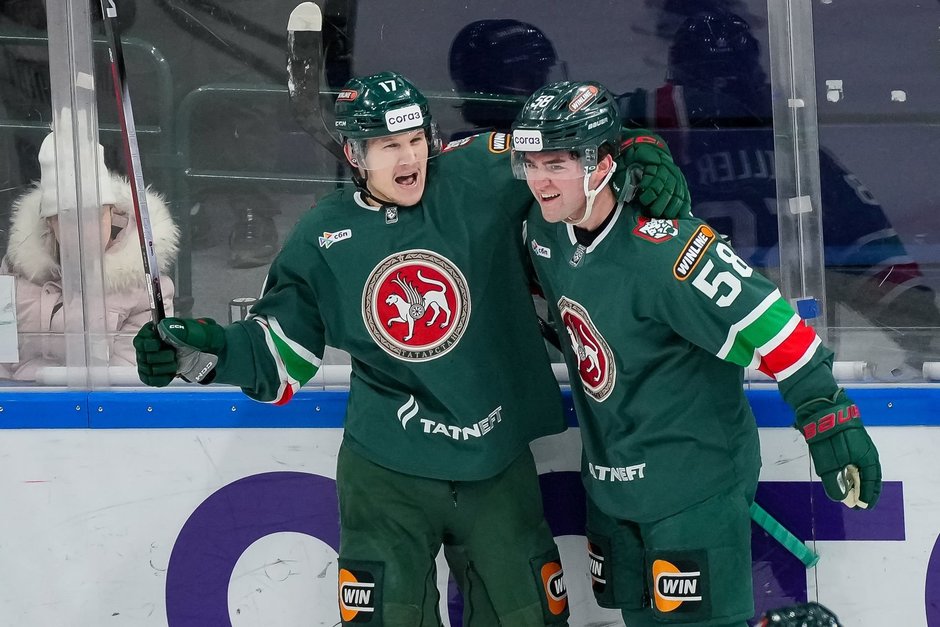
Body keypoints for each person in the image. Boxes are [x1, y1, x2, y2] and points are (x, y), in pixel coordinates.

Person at [133, 71, 690, 626]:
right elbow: (281, 352)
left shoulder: (478, 171)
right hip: (387, 470)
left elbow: (570, 142)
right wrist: (208, 350)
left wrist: (638, 148)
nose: (409, 158)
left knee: (527, 619)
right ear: (354, 154)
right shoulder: (323, 235)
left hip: (495, 463)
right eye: (389, 146)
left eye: (417, 140)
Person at [511, 80, 882, 627]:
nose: (540, 180)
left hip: (693, 485)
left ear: (603, 163)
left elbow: (782, 332)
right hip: (611, 486)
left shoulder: (672, 251)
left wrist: (830, 422)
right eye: (531, 165)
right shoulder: (545, 236)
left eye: (557, 164)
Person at [624, 8, 940, 379]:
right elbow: (876, 258)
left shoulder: (655, 152)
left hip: (697, 361)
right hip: (793, 357)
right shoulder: (806, 161)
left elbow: (615, 116)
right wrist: (926, 337)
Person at [0, 130, 178, 381]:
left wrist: (43, 380)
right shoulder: (15, 272)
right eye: (68, 217)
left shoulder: (144, 283)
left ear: (112, 211)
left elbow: (131, 372)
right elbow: (3, 356)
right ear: (50, 222)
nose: (84, 228)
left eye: (95, 214)